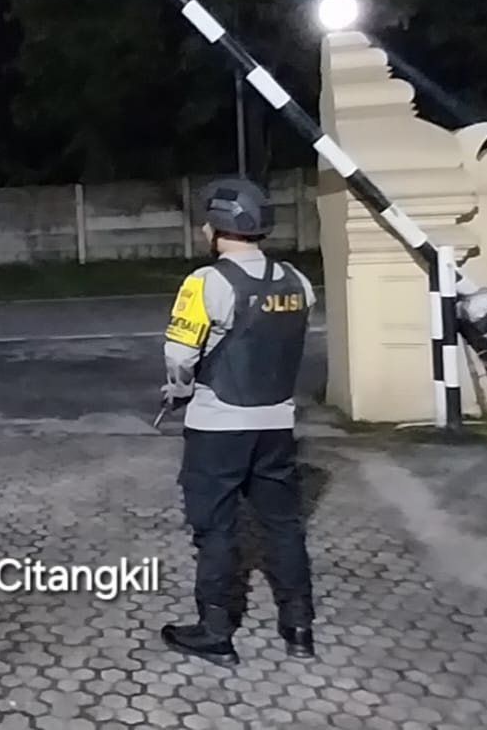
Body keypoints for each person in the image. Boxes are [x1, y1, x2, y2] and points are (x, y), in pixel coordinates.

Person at [159, 177, 317, 666]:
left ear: (216, 228)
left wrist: (178, 390)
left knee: (216, 529)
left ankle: (215, 631)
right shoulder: (297, 280)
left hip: (219, 425)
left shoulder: (206, 282)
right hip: (276, 423)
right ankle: (298, 628)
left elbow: (179, 356)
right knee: (283, 526)